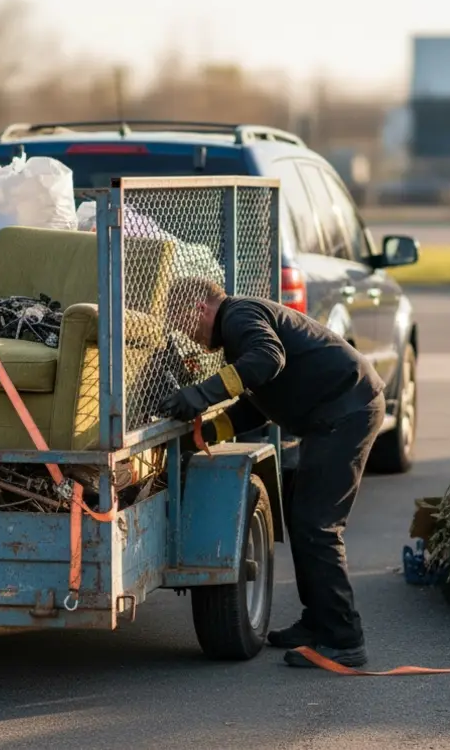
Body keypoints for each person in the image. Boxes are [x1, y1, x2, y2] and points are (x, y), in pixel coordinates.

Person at [161, 277, 385, 668]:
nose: (188, 336)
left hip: (347, 411)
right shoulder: (239, 330)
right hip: (336, 412)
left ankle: (345, 639)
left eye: (182, 323)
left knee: (318, 527)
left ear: (199, 308)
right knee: (303, 520)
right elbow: (257, 403)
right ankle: (318, 621)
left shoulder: (240, 316)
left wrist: (200, 394)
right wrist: (208, 432)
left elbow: (268, 359)